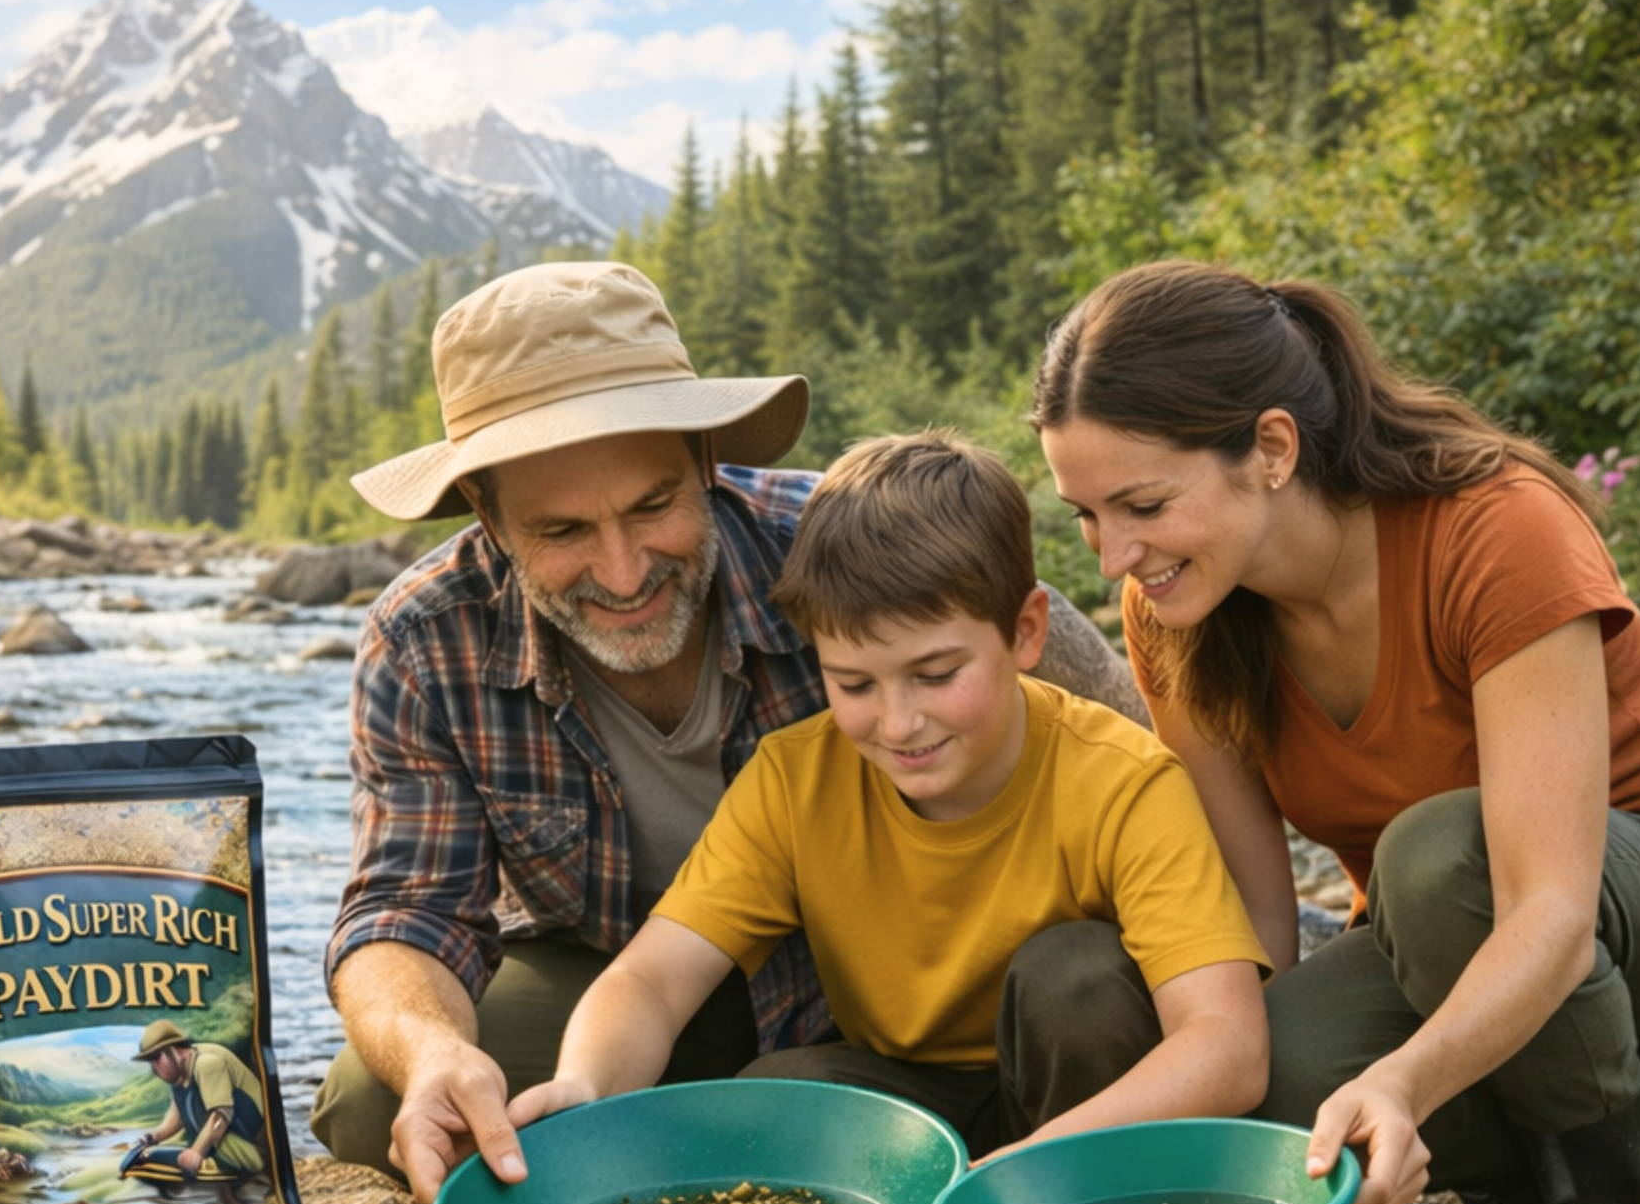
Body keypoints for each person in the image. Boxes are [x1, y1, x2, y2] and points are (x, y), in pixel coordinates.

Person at [315, 260, 1147, 1204]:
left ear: (706, 460)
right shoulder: (426, 635)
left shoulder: (850, 556)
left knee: (1086, 978)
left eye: (652, 506)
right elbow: (405, 910)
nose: (623, 573)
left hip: (910, 988)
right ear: (488, 515)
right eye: (563, 533)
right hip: (634, 982)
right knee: (371, 1097)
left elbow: (1118, 747)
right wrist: (430, 1054)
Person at [1032, 257, 1640, 1204]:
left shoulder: (1495, 530)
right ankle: (1519, 1164)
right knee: (1280, 1107)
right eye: (1086, 515)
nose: (1113, 556)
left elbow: (1550, 907)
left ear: (1270, 446)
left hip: (1595, 907)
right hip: (1437, 941)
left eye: (1142, 507)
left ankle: (1610, 1187)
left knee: (1434, 853)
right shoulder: (1173, 614)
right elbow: (1254, 932)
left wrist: (1402, 1076)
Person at [504, 430, 1272, 1164]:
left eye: (937, 675)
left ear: (1026, 632)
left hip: (1091, 1109)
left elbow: (1227, 1045)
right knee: (773, 1094)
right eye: (854, 683)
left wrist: (1031, 1161)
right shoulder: (791, 780)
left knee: (1075, 976)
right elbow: (653, 977)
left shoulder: (1125, 781)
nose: (900, 724)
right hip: (906, 1107)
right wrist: (584, 1087)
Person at [123, 1019, 267, 1204]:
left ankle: (229, 1173)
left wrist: (196, 1151)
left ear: (179, 1051)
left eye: (157, 1058)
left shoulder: (207, 1063)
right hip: (223, 1137)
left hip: (249, 1136)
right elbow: (177, 1116)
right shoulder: (181, 1075)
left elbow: (220, 1115)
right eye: (151, 1061)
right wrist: (152, 1137)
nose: (154, 1069)